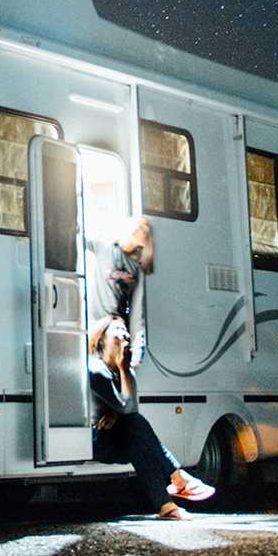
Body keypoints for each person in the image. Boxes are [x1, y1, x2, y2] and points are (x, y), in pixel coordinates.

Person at [90, 315, 214, 519]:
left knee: (139, 444)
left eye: (126, 330)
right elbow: (129, 411)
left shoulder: (125, 370)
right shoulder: (96, 369)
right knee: (135, 424)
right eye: (118, 330)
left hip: (113, 440)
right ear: (102, 338)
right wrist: (123, 373)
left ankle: (167, 506)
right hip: (92, 441)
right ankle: (178, 476)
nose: (125, 335)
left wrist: (117, 411)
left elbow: (130, 409)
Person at [91, 215, 153, 366]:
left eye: (142, 233)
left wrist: (137, 348)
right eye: (136, 229)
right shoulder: (103, 246)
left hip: (115, 330)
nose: (137, 234)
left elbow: (137, 312)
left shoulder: (135, 268)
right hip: (96, 324)